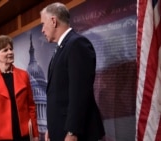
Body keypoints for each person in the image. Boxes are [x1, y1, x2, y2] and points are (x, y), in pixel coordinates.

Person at [40, 2, 105, 141]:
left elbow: (79, 93)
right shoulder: (62, 48)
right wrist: (51, 128)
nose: (42, 30)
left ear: (53, 21)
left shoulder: (77, 44)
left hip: (75, 134)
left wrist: (72, 131)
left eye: (43, 24)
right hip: (60, 130)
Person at [0, 35, 39, 141]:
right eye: (5, 50)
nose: (10, 52)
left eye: (11, 49)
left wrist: (35, 134)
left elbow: (31, 107)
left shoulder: (23, 75)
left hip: (24, 135)